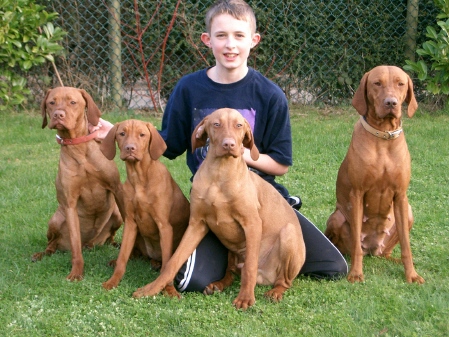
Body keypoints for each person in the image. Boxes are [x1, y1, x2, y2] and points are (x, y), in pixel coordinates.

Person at [93, 0, 347, 292]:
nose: (230, 45)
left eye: (239, 36)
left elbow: (280, 163)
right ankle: (231, 262)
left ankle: (273, 235)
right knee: (194, 282)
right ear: (207, 40)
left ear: (254, 40)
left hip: (259, 197)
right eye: (221, 36)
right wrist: (117, 133)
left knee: (333, 267)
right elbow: (168, 145)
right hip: (210, 202)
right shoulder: (188, 89)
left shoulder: (270, 94)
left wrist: (236, 153)